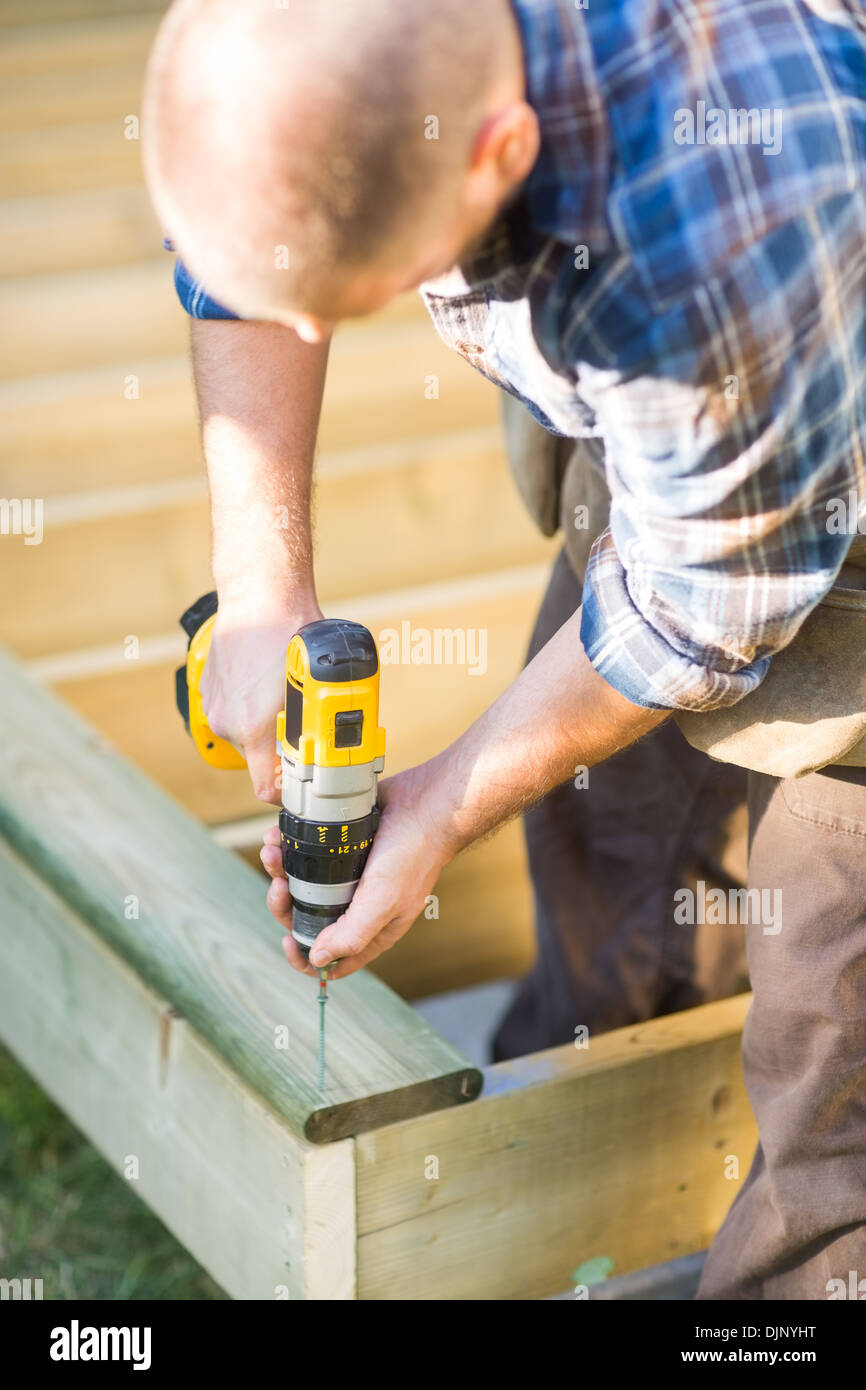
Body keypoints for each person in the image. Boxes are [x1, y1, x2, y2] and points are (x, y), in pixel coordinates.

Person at [143, 0, 866, 1298]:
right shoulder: (311, 38)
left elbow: (700, 604)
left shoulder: (711, 214)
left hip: (793, 405)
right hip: (704, 424)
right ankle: (575, 1181)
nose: (306, 332)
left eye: (344, 299)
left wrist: (443, 801)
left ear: (499, 149)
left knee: (835, 1019)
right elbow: (238, 234)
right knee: (608, 828)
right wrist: (260, 583)